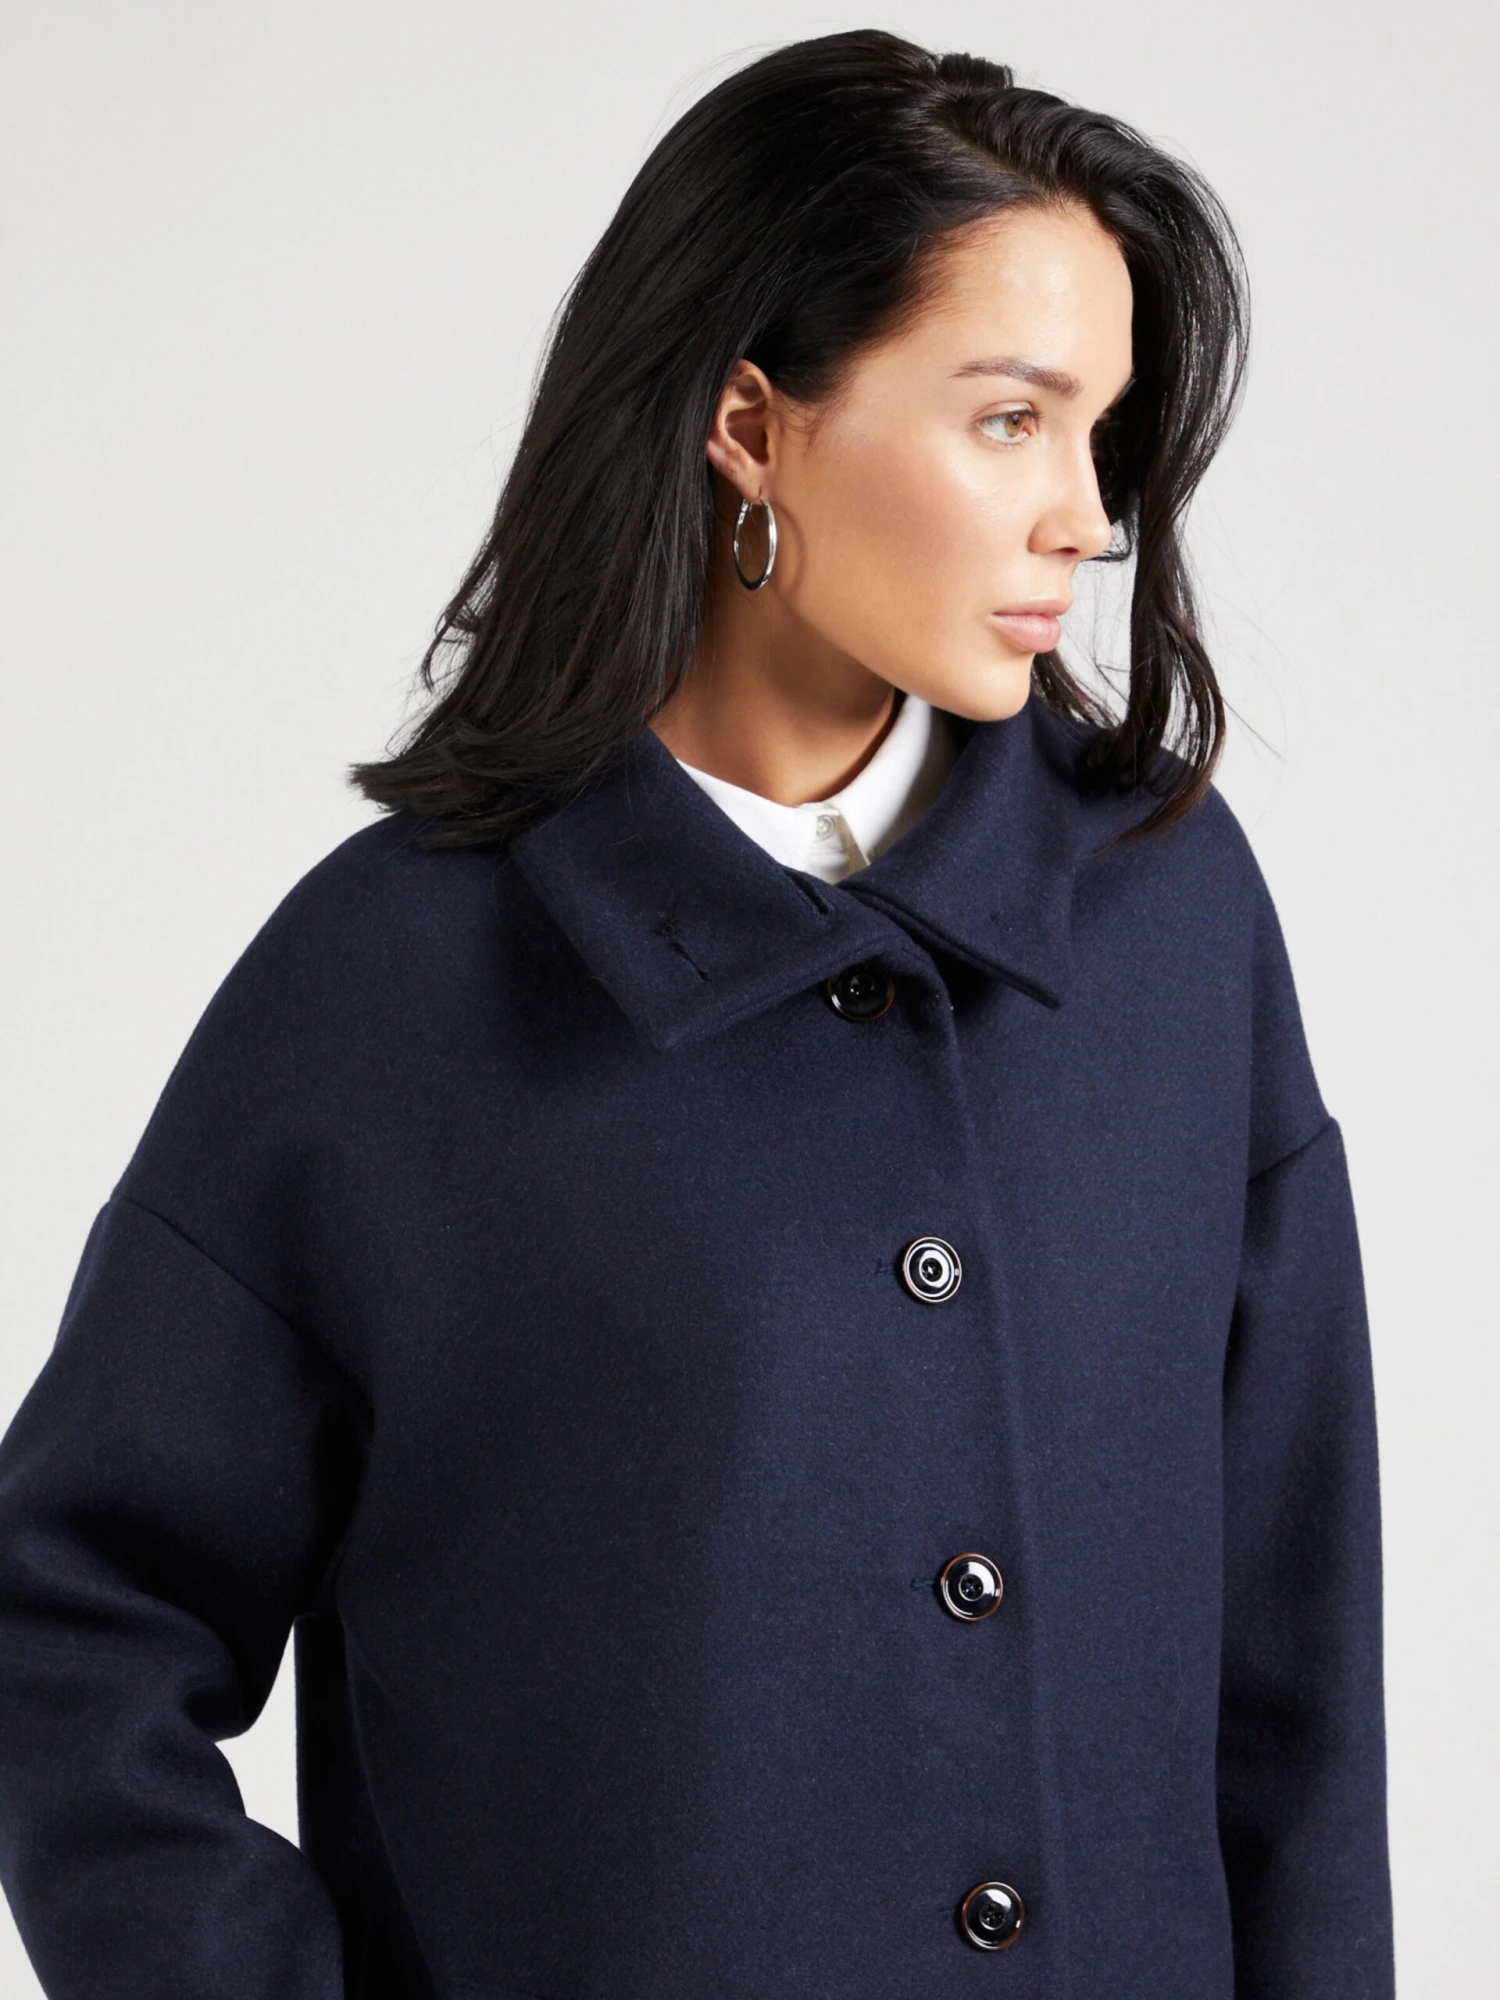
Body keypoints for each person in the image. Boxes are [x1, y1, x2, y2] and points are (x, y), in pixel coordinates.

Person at [0, 28, 1394, 2000]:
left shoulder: (1170, 917)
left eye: (1100, 432)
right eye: (1010, 419)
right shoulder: (393, 983)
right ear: (752, 424)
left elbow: (1297, 1672)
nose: (1084, 517)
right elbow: (70, 1621)